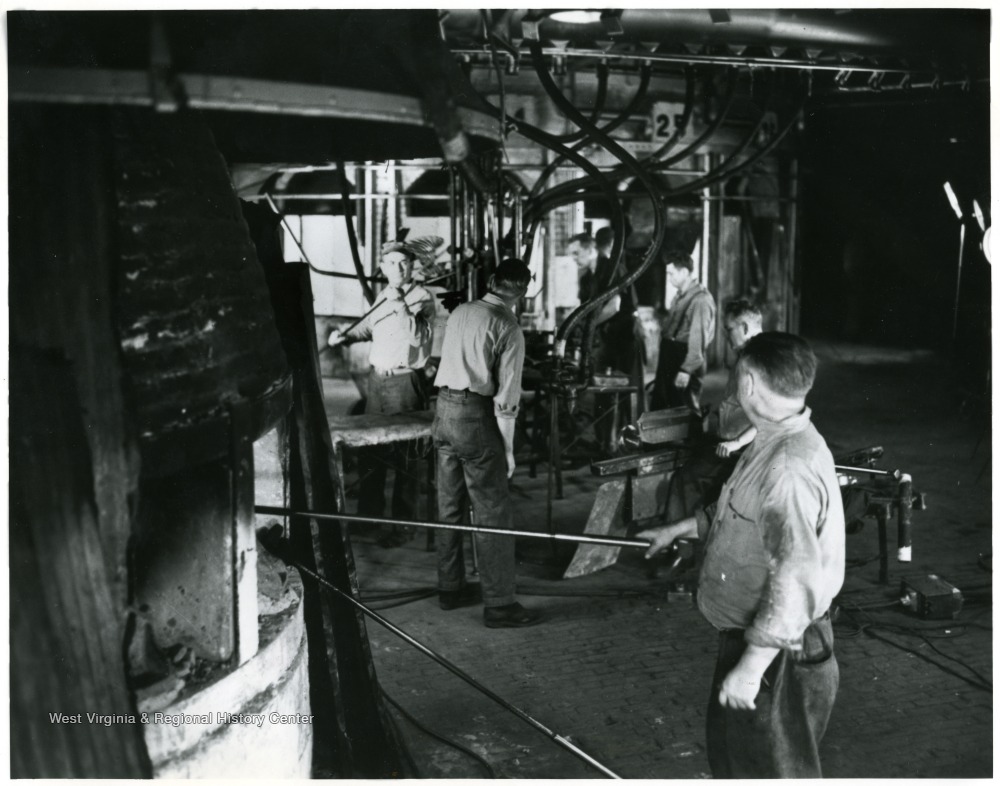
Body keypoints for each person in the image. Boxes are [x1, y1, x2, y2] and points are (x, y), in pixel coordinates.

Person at [643, 332, 845, 778]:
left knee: (771, 772)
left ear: (749, 383)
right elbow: (740, 508)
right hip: (762, 641)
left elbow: (795, 580)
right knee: (740, 765)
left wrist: (752, 668)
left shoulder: (789, 467)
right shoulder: (772, 440)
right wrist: (680, 527)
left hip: (780, 656)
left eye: (737, 375)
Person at [432, 258, 542, 628]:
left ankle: (450, 589)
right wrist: (509, 450)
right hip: (475, 418)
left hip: (443, 413)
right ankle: (499, 605)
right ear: (523, 292)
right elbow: (506, 401)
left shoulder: (461, 310)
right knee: (493, 510)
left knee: (449, 505)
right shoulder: (508, 326)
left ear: (492, 281)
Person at [328, 241, 436, 544]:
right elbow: (368, 327)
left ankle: (403, 525)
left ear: (413, 266)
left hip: (405, 383)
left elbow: (416, 336)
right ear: (383, 267)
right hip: (378, 382)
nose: (397, 269)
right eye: (391, 263)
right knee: (371, 452)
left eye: (403, 263)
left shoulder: (423, 298)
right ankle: (369, 518)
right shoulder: (381, 297)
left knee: (407, 455)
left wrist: (399, 302)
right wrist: (344, 337)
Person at [664, 299, 764, 521]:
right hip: (730, 442)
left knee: (685, 478)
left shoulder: (758, 360)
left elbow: (767, 416)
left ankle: (679, 544)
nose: (727, 338)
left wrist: (736, 442)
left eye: (729, 330)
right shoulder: (745, 357)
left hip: (743, 450)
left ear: (745, 328)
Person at [651, 251, 716, 413]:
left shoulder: (700, 300)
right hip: (671, 355)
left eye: (671, 273)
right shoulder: (681, 296)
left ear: (685, 272)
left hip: (684, 359)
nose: (669, 277)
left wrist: (686, 370)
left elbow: (698, 340)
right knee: (665, 410)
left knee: (683, 413)